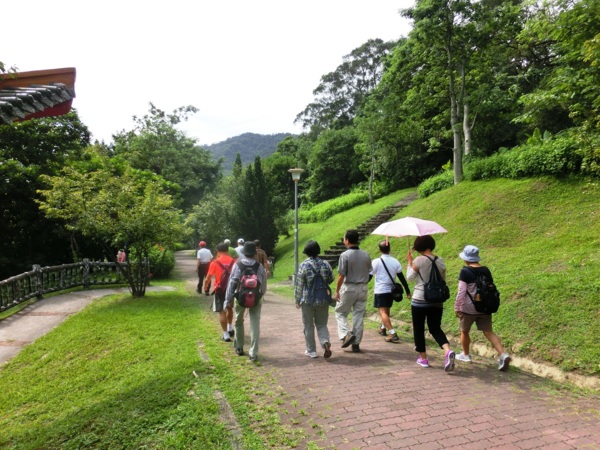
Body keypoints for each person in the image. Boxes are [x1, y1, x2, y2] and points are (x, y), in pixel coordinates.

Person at [454, 245, 511, 371]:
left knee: (464, 331)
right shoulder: (486, 270)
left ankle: (465, 355)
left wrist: (457, 306)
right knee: (488, 332)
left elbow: (461, 291)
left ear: (466, 258)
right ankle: (503, 354)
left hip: (468, 309)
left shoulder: (465, 271)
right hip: (485, 307)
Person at [406, 235, 456, 372]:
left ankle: (423, 359)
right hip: (436, 300)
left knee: (419, 329)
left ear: (419, 247)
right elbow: (442, 279)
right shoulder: (440, 260)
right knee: (435, 328)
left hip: (420, 300)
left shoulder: (418, 260)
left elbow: (410, 278)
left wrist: (409, 262)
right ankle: (447, 350)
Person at [225, 241, 268, 362]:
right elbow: (263, 284)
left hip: (240, 297)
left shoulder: (237, 265)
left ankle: (239, 347)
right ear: (254, 254)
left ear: (244, 253)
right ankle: (253, 352)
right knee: (255, 324)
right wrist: (260, 295)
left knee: (238, 321)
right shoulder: (259, 266)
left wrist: (228, 299)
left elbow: (232, 283)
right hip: (256, 298)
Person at [294, 240, 335, 358]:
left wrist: (297, 300)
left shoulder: (303, 265)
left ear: (306, 252)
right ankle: (325, 342)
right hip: (323, 299)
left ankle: (311, 351)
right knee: (322, 324)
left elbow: (299, 284)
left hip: (308, 300)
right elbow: (331, 278)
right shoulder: (325, 264)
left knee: (308, 325)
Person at [334, 229, 372, 353]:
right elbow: (369, 271)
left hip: (349, 287)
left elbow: (341, 275)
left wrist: (337, 291)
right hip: (363, 288)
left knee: (340, 311)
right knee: (358, 315)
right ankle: (356, 344)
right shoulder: (365, 254)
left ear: (347, 240)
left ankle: (346, 334)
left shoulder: (345, 255)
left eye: (344, 238)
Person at [370, 240, 411, 343]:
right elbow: (401, 278)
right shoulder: (395, 261)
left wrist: (361, 284)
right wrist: (407, 290)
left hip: (381, 290)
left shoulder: (376, 261)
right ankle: (383, 328)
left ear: (379, 250)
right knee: (387, 310)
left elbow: (369, 276)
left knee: (382, 312)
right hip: (391, 291)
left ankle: (392, 333)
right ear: (390, 249)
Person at [203, 242, 236, 342]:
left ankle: (226, 335)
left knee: (222, 311)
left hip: (220, 289)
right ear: (228, 250)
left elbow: (208, 277)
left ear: (218, 251)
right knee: (229, 308)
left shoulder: (215, 262)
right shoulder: (234, 261)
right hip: (231, 289)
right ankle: (230, 327)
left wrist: (205, 286)